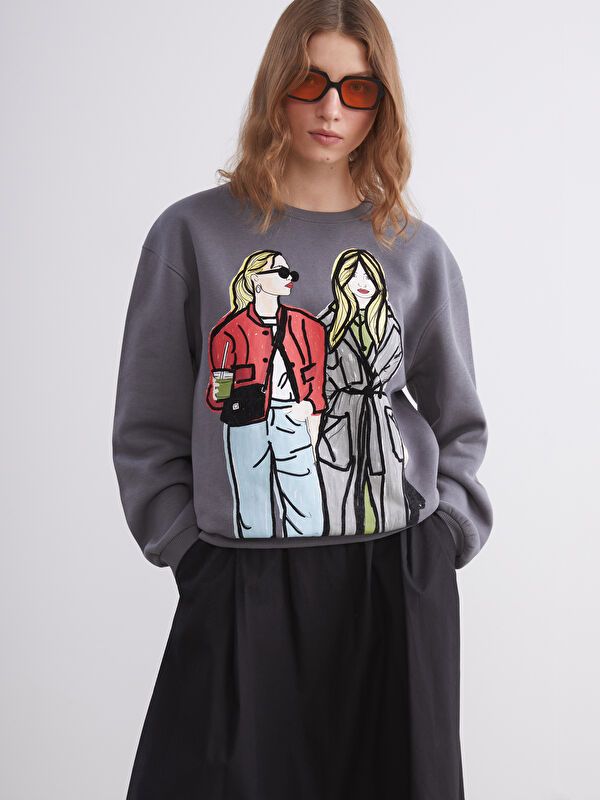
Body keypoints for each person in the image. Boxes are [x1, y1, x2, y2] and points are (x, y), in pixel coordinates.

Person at [111, 1, 493, 798]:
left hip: (393, 577)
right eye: (311, 81)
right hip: (239, 572)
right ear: (275, 84)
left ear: (382, 104)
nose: (331, 108)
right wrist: (188, 549)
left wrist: (443, 534)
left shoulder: (414, 250)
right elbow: (146, 424)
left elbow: (458, 418)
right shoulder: (190, 234)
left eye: (358, 89)